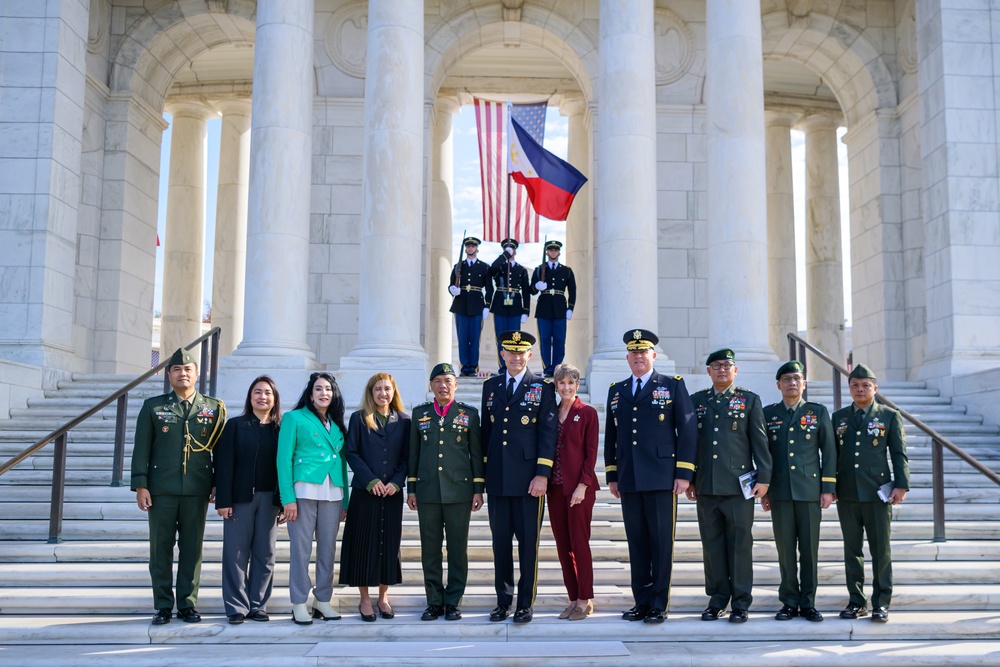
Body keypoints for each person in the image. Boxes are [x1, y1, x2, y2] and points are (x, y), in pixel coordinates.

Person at [605, 329, 697, 624]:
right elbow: (612, 435)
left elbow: (687, 430)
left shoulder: (671, 385)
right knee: (637, 542)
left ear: (653, 356)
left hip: (661, 477)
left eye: (643, 352)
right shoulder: (616, 390)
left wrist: (684, 473)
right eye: (633, 353)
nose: (638, 357)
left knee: (660, 542)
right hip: (629, 476)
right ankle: (641, 602)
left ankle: (659, 603)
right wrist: (612, 474)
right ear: (627, 358)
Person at [131, 347, 226, 625]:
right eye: (176, 369)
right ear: (168, 374)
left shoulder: (214, 408)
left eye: (187, 369)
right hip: (161, 489)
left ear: (197, 373)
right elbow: (141, 449)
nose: (182, 373)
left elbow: (220, 451)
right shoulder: (154, 406)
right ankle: (162, 605)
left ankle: (187, 604)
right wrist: (141, 485)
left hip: (197, 488)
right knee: (160, 549)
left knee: (192, 549)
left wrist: (218, 483)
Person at [687, 349, 772, 624]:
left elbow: (760, 442)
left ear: (735, 371)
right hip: (706, 485)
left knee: (740, 545)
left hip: (738, 487)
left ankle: (741, 602)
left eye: (727, 365)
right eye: (716, 365)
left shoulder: (749, 400)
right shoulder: (697, 401)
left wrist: (764, 478)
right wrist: (689, 478)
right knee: (712, 547)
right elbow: (690, 444)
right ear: (708, 371)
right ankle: (717, 599)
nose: (722, 369)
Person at [481, 330, 557, 623]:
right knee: (500, 545)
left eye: (520, 352)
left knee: (528, 546)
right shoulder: (492, 386)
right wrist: (482, 478)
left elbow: (548, 434)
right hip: (498, 479)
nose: (514, 357)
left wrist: (542, 474)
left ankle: (525, 603)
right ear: (502, 354)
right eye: (509, 352)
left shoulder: (541, 386)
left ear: (529, 355)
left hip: (529, 483)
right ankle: (503, 602)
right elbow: (486, 435)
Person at [407, 362, 485, 621]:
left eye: (448, 381)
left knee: (457, 549)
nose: (443, 385)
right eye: (438, 381)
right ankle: (434, 601)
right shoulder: (420, 414)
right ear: (431, 386)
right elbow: (413, 456)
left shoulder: (469, 415)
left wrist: (477, 489)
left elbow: (476, 455)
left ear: (456, 385)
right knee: (430, 549)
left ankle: (453, 601)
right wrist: (412, 489)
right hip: (428, 492)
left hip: (459, 493)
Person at [761, 360, 837, 623]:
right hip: (780, 492)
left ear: (804, 384)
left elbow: (829, 452)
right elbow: (763, 455)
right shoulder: (768, 413)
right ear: (778, 385)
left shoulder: (817, 412)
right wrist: (764, 490)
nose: (792, 383)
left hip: (809, 492)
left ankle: (808, 603)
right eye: (787, 379)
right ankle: (789, 602)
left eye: (797, 378)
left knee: (809, 550)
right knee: (785, 551)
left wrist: (828, 488)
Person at [833, 363, 909, 623]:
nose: (860, 389)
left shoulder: (889, 415)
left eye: (866, 385)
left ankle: (881, 602)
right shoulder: (839, 417)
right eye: (855, 385)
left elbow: (898, 454)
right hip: (847, 493)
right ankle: (856, 601)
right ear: (849, 388)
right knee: (851, 550)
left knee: (880, 550)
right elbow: (832, 456)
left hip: (878, 493)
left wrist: (901, 485)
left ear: (875, 388)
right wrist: (830, 487)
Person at [277, 372, 350, 625]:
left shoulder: (338, 423)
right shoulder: (294, 418)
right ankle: (298, 602)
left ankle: (322, 600)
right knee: (301, 549)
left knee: (328, 549)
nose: (323, 393)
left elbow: (341, 464)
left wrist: (346, 501)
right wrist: (287, 499)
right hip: (303, 491)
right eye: (318, 389)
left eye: (328, 389)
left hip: (333, 492)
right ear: (310, 394)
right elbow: (283, 460)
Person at [339, 373, 410, 622]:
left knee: (388, 545)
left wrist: (396, 482)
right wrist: (371, 481)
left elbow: (407, 458)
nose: (383, 393)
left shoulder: (404, 420)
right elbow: (352, 452)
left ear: (394, 392)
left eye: (387, 389)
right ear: (371, 392)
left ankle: (383, 597)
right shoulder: (359, 419)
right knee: (363, 545)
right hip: (365, 492)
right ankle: (365, 599)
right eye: (378, 389)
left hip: (391, 494)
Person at [214, 376, 283, 624]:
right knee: (235, 553)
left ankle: (258, 604)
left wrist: (285, 501)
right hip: (240, 499)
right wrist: (223, 500)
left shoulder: (281, 429)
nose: (262, 397)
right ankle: (236, 606)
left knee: (266, 553)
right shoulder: (234, 425)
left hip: (271, 500)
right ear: (250, 396)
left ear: (274, 398)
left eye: (267, 393)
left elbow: (286, 466)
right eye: (257, 392)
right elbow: (223, 465)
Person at [547, 363, 599, 621]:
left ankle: (585, 598)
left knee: (580, 543)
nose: (566, 387)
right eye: (561, 383)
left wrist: (583, 485)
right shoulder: (550, 412)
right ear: (555, 386)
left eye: (571, 383)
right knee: (562, 545)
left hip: (579, 489)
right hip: (555, 488)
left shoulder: (587, 413)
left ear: (578, 385)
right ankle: (572, 598)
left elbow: (591, 453)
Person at [529, 240, 577, 377]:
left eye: (555, 250)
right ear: (547, 252)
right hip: (544, 307)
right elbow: (531, 290)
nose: (553, 252)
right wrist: (536, 286)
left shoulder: (566, 271)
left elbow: (573, 291)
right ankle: (547, 368)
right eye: (550, 250)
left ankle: (557, 367)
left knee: (559, 339)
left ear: (559, 252)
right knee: (544, 339)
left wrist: (570, 308)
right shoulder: (539, 269)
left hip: (560, 308)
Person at [449, 236, 495, 377]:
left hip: (476, 305)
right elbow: (451, 284)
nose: (470, 248)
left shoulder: (484, 267)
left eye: (472, 246)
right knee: (463, 337)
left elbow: (489, 288)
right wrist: (452, 289)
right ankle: (464, 366)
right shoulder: (458, 266)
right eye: (468, 246)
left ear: (477, 248)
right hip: (461, 304)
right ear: (465, 249)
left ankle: (473, 366)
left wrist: (487, 305)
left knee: (474, 338)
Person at [488, 238, 531, 374]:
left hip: (515, 307)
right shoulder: (499, 266)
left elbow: (526, 291)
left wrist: (526, 310)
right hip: (500, 304)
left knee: (514, 338)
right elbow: (491, 270)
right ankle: (503, 366)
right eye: (507, 249)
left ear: (516, 251)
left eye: (511, 249)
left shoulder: (520, 269)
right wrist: (504, 256)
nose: (509, 252)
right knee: (501, 338)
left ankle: (513, 366)